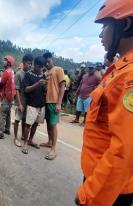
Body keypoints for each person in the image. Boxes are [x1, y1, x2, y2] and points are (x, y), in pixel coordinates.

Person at [75, 1, 133, 205]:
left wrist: (89, 196)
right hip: (102, 178)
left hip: (109, 190)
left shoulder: (129, 76)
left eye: (104, 27)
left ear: (124, 25)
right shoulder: (119, 70)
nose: (100, 36)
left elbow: (124, 150)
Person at [41, 52, 65, 160]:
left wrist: (59, 103)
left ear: (52, 59)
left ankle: (53, 149)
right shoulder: (45, 73)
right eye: (45, 62)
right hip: (46, 101)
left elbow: (62, 87)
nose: (47, 63)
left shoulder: (58, 70)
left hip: (54, 102)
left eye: (48, 61)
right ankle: (49, 142)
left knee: (53, 125)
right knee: (48, 124)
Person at [22, 56, 46, 154]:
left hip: (41, 104)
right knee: (28, 125)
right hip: (31, 104)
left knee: (36, 124)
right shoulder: (28, 74)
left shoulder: (43, 75)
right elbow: (26, 89)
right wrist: (38, 84)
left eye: (41, 67)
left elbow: (45, 91)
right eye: (38, 66)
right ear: (35, 65)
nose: (40, 68)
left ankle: (30, 140)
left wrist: (45, 86)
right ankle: (25, 143)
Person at [13, 53, 33, 147]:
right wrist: (20, 104)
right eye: (29, 63)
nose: (30, 65)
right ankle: (15, 138)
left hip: (28, 101)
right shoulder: (18, 74)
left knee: (25, 119)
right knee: (17, 120)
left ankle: (23, 136)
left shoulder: (29, 74)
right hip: (20, 101)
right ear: (24, 63)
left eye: (31, 63)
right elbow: (16, 90)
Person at [0, 55, 16, 139]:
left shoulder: (6, 72)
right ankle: (7, 129)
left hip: (6, 95)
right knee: (8, 113)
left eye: (5, 60)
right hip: (10, 95)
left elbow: (2, 83)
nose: (3, 62)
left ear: (9, 63)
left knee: (2, 114)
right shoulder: (12, 71)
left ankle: (1, 132)